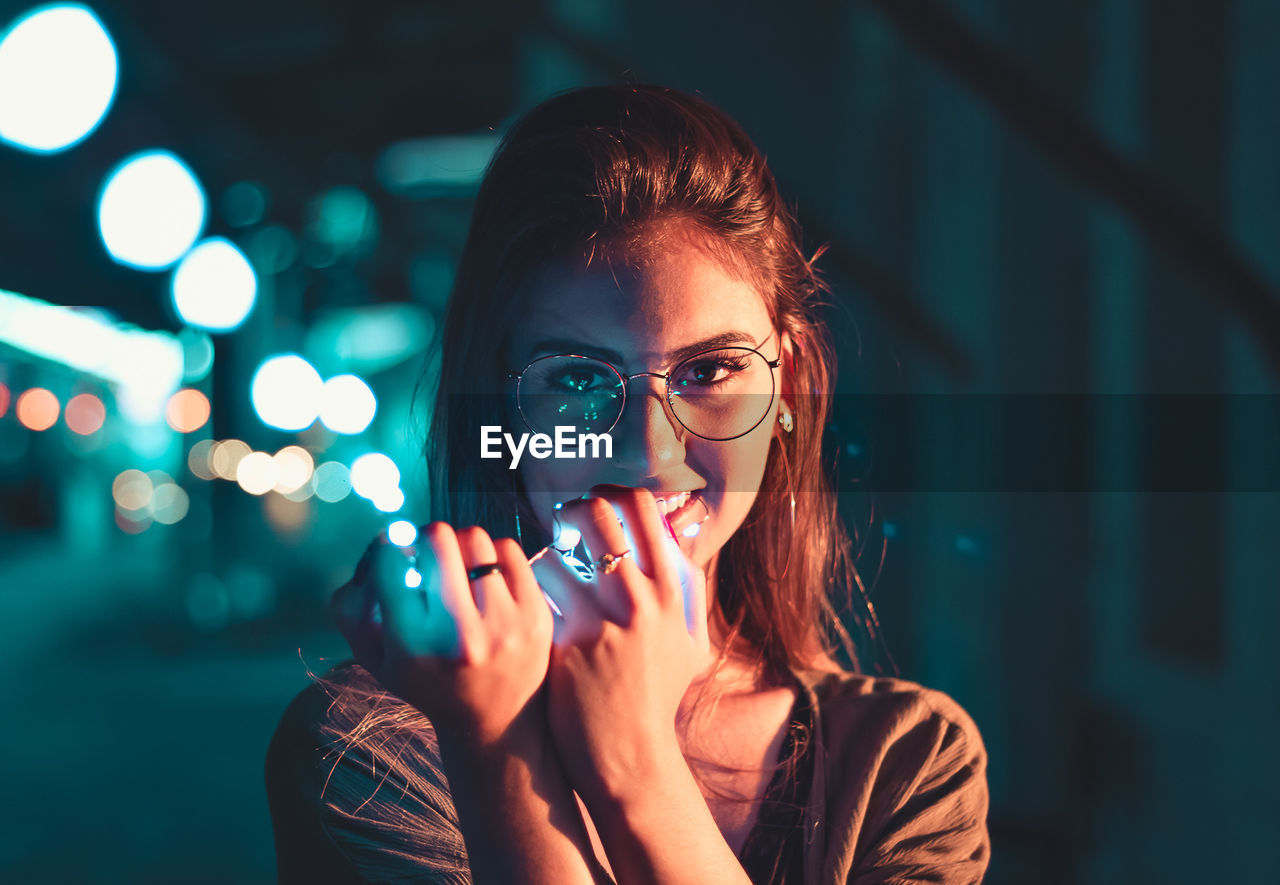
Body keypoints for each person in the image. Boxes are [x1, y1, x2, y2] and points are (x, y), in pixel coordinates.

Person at [265, 83, 990, 884]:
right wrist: (497, 739)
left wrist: (635, 761)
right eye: (577, 376)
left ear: (791, 384)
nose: (646, 449)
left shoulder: (909, 760)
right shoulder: (370, 756)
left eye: (710, 369)